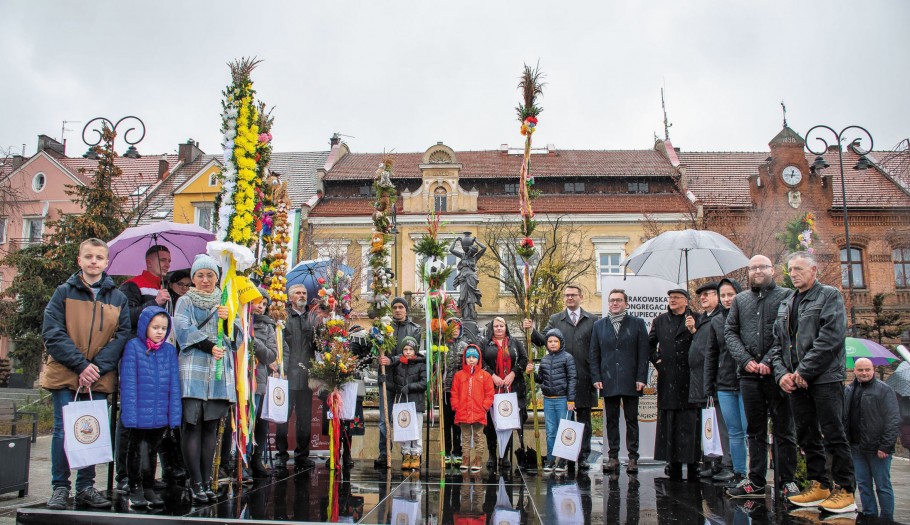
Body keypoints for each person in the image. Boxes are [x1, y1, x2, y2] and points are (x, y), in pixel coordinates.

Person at [42, 238, 131, 510]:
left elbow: (121, 335)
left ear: (106, 262)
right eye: (89, 257)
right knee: (63, 431)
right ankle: (60, 487)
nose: (94, 261)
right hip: (66, 374)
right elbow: (53, 332)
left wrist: (96, 368)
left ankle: (85, 487)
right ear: (79, 260)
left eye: (99, 257)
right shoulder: (63, 293)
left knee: (89, 430)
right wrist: (81, 365)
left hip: (98, 378)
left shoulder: (118, 298)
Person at [770, 251, 856, 514]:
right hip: (796, 381)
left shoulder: (829, 295)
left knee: (833, 433)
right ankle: (819, 484)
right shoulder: (787, 302)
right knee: (806, 434)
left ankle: (846, 489)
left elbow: (830, 338)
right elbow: (778, 344)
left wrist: (804, 371)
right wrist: (782, 374)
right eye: (791, 270)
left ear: (814, 270)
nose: (794, 274)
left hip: (824, 379)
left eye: (799, 269)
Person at [724, 255, 798, 499]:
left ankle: (787, 481)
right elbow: (730, 332)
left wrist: (768, 360)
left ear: (772, 270)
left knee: (784, 429)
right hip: (748, 376)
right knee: (754, 430)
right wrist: (746, 360)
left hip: (778, 374)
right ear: (748, 272)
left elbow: (787, 333)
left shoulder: (787, 296)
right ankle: (755, 481)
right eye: (753, 267)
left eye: (762, 267)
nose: (758, 271)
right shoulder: (741, 300)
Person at [173, 254, 237, 504]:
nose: (205, 280)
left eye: (210, 275)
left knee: (210, 427)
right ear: (193, 278)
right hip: (193, 371)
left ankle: (207, 479)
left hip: (218, 374)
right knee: (192, 426)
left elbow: (236, 338)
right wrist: (209, 346)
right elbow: (182, 330)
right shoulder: (185, 302)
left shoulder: (224, 302)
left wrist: (228, 321)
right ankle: (195, 481)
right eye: (200, 275)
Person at [116, 244, 172, 492]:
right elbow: (124, 317)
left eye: (169, 260)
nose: (167, 264)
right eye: (162, 260)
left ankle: (147, 474)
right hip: (135, 358)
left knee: (154, 421)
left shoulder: (166, 287)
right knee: (130, 420)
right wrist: (153, 301)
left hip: (159, 359)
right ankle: (125, 475)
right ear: (149, 262)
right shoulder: (132, 285)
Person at [522, 283, 595, 471]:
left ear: (581, 297)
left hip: (584, 377)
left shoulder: (592, 320)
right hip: (560, 380)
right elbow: (543, 340)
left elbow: (597, 350)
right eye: (567, 295)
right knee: (564, 421)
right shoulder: (556, 319)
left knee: (584, 419)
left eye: (573, 295)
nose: (569, 298)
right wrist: (531, 330)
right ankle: (564, 456)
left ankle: (583, 455)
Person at [120, 306, 181, 507]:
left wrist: (173, 417)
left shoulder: (169, 351)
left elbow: (174, 385)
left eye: (164, 328)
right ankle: (135, 487)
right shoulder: (133, 347)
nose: (159, 332)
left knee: (152, 451)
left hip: (160, 414)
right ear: (145, 326)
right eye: (155, 327)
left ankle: (148, 486)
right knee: (137, 450)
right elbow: (128, 384)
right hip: (139, 413)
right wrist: (129, 415)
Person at [589, 289, 649, 474]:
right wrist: (596, 377)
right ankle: (613, 456)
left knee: (631, 419)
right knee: (611, 420)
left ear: (626, 303)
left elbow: (643, 353)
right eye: (612, 300)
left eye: (618, 300)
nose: (615, 303)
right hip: (608, 380)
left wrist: (641, 377)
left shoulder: (637, 324)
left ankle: (632, 457)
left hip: (631, 379)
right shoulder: (600, 325)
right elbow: (594, 354)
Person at [649, 288, 701, 481]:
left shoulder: (696, 318)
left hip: (689, 377)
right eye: (670, 298)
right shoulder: (660, 320)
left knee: (689, 421)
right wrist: (657, 360)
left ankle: (693, 461)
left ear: (685, 301)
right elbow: (650, 344)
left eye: (677, 298)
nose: (673, 300)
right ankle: (672, 461)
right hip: (668, 377)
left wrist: (693, 331)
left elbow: (704, 344)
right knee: (669, 421)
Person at [844, 357, 899, 520]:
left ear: (873, 370)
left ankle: (887, 519)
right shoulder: (848, 390)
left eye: (867, 369)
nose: (864, 373)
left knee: (882, 486)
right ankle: (870, 516)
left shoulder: (884, 390)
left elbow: (892, 419)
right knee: (863, 485)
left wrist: (885, 446)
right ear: (854, 371)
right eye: (860, 370)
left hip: (877, 449)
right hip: (856, 447)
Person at [704, 277, 747, 485]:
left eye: (731, 294)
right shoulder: (717, 321)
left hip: (747, 380)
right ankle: (736, 471)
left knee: (749, 430)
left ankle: (751, 472)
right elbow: (711, 354)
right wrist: (709, 385)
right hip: (725, 382)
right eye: (723, 295)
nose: (727, 299)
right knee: (732, 430)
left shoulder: (747, 316)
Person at [689, 282, 733, 479]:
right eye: (701, 296)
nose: (703, 298)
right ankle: (711, 460)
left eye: (707, 294)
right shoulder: (703, 320)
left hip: (718, 381)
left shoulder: (721, 318)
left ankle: (725, 463)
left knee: (721, 424)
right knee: (709, 424)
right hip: (702, 380)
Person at [375, 297, 422, 468]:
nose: (397, 310)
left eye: (401, 307)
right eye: (394, 307)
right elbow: (377, 353)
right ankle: (384, 452)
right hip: (386, 379)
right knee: (384, 419)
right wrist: (379, 365)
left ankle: (409, 452)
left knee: (407, 418)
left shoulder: (415, 329)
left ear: (406, 309)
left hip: (406, 380)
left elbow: (413, 354)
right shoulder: (383, 328)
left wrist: (392, 359)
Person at [482, 317, 533, 472]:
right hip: (492, 388)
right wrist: (492, 375)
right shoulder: (485, 343)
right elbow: (481, 362)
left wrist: (512, 374)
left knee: (508, 422)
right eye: (495, 326)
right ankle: (492, 454)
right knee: (491, 423)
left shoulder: (515, 343)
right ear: (492, 328)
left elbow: (524, 360)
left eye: (501, 326)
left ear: (506, 327)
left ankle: (504, 455)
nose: (498, 328)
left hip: (512, 388)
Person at [275, 284, 318, 470]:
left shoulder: (313, 318)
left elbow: (318, 345)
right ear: (290, 297)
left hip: (307, 376)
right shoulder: (282, 316)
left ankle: (302, 454)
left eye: (304, 293)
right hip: (287, 375)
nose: (302, 296)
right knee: (283, 417)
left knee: (304, 418)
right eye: (298, 293)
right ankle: (281, 454)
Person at [535, 328, 577, 473]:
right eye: (550, 341)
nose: (552, 344)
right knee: (551, 431)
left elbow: (572, 379)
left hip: (562, 400)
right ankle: (551, 459)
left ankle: (563, 460)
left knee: (564, 430)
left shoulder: (567, 358)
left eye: (555, 341)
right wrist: (532, 373)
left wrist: (571, 399)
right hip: (548, 400)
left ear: (561, 342)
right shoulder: (545, 359)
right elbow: (540, 378)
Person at [451, 344, 495, 473]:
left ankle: (478, 459)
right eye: (468, 357)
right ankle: (466, 458)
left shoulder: (485, 376)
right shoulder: (459, 375)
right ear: (464, 359)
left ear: (478, 359)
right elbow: (454, 393)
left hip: (478, 412)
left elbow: (489, 393)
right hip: (463, 412)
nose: (471, 359)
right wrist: (456, 406)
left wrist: (484, 406)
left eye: (474, 357)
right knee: (464, 437)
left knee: (478, 436)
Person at [251, 287, 277, 478]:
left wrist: (254, 342)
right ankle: (239, 460)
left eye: (264, 303)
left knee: (259, 422)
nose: (260, 306)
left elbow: (271, 355)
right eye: (258, 301)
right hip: (239, 380)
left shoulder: (268, 327)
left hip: (258, 381)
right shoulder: (238, 320)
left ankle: (256, 459)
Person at [391, 336, 427, 470]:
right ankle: (406, 453)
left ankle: (416, 454)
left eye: (410, 349)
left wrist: (410, 387)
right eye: (405, 349)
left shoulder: (420, 364)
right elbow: (394, 382)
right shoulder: (399, 364)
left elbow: (424, 383)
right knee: (404, 428)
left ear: (415, 350)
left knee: (416, 430)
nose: (407, 352)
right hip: (403, 403)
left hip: (415, 402)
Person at [442, 319, 470, 466]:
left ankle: (458, 451)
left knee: (458, 421)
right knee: (446, 422)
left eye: (457, 328)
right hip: (445, 389)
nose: (455, 331)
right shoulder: (442, 346)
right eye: (452, 328)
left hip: (460, 391)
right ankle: (446, 451)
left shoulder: (464, 347)